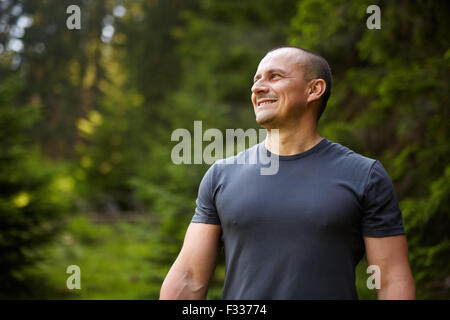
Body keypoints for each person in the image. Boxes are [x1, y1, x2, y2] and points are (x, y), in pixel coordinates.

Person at [159, 46, 416, 299]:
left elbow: (392, 278)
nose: (257, 87)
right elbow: (190, 276)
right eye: (256, 79)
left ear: (314, 90)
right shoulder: (221, 175)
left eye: (275, 77)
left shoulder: (364, 175)